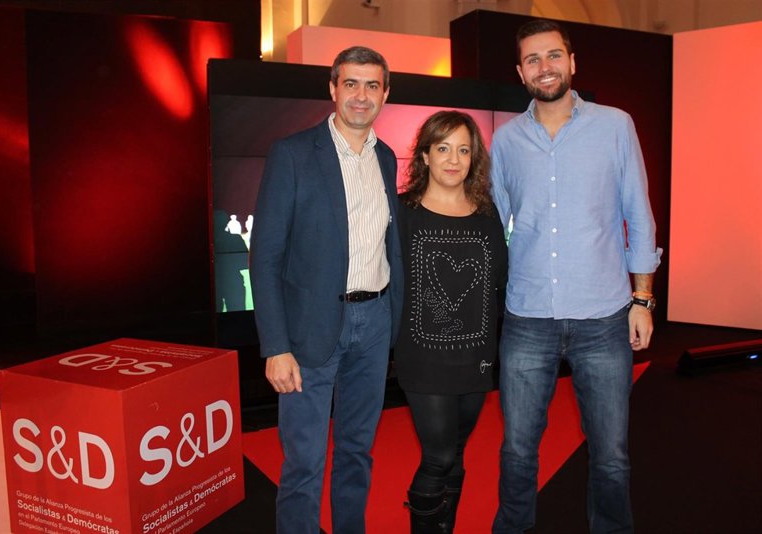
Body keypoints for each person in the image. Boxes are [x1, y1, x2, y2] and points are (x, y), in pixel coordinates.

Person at [489, 19, 662, 534]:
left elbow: (639, 213)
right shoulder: (506, 140)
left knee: (611, 455)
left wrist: (643, 300)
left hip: (604, 316)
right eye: (533, 59)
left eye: (553, 55)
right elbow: (493, 224)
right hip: (527, 317)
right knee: (517, 450)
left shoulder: (616, 126)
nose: (545, 67)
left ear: (572, 62)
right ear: (520, 72)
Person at [249, 46, 403, 534]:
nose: (361, 95)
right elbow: (265, 257)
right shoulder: (293, 153)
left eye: (372, 85)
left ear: (385, 94)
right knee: (304, 460)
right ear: (333, 88)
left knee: (357, 451)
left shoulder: (385, 157)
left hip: (374, 325)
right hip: (309, 330)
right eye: (351, 83)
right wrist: (276, 346)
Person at [396, 110, 508, 533]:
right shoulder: (402, 213)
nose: (453, 159)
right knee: (438, 456)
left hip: (475, 359)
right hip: (423, 359)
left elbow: (498, 280)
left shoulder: (487, 214)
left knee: (456, 453)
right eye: (443, 148)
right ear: (425, 155)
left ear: (473, 158)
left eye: (463, 150)